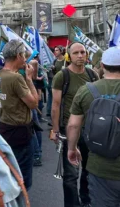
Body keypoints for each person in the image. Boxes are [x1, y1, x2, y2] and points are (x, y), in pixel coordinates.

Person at [67, 46, 120, 207]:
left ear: (102, 66)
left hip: (100, 168)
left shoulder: (86, 91)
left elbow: (73, 125)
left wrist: (72, 148)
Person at [51, 42, 99, 207]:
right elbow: (55, 105)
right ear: (69, 56)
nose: (80, 55)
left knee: (88, 170)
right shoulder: (62, 76)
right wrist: (55, 130)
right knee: (71, 175)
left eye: (83, 52)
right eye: (76, 53)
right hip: (69, 130)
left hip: (90, 131)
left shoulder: (93, 75)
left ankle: (86, 201)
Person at [0, 39, 39, 190]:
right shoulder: (16, 78)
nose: (25, 59)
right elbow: (33, 104)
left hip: (5, 128)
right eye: (24, 55)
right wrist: (29, 80)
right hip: (21, 132)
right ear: (18, 55)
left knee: (10, 173)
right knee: (23, 180)